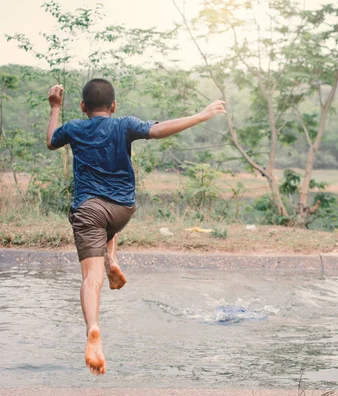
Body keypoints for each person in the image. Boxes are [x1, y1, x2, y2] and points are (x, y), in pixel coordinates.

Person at [46, 78, 226, 375]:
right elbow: (158, 129)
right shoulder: (124, 124)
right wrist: (201, 115)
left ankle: (93, 329)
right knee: (108, 228)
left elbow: (51, 141)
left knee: (92, 279)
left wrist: (54, 108)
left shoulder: (74, 128)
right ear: (113, 106)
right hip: (123, 209)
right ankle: (112, 258)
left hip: (90, 209)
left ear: (82, 106)